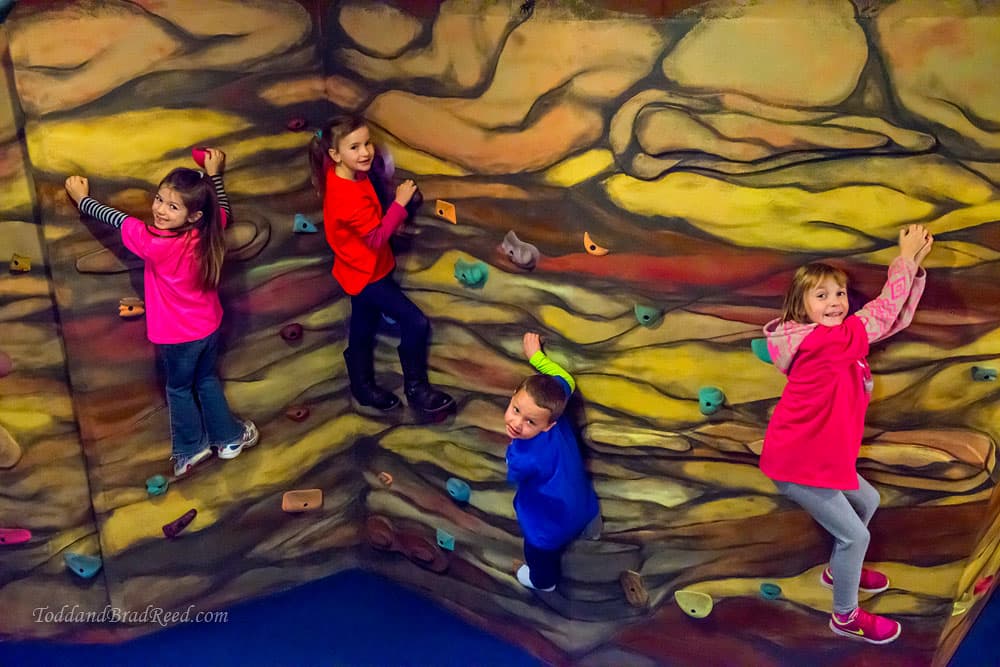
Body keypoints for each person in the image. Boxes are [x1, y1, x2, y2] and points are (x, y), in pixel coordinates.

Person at [759, 224, 934, 644]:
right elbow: (879, 314)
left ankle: (839, 570)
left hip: (816, 459)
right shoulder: (824, 342)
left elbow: (881, 324)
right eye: (822, 295)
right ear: (801, 307)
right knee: (856, 535)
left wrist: (914, 268)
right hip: (798, 464)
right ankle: (845, 616)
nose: (836, 302)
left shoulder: (834, 341)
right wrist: (905, 257)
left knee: (868, 500)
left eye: (839, 294)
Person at [64, 149, 258, 478]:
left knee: (180, 388)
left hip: (177, 337)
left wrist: (82, 199)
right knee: (207, 379)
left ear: (193, 215)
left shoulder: (156, 243)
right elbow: (222, 210)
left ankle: (192, 447)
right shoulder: (207, 230)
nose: (160, 210)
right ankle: (228, 439)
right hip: (208, 327)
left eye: (172, 206)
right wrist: (214, 174)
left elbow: (116, 218)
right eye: (159, 199)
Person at [308, 115, 453, 417]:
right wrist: (400, 203)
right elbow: (375, 238)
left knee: (363, 325)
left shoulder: (342, 171)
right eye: (354, 147)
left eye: (367, 143)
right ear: (335, 155)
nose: (365, 153)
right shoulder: (345, 195)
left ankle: (362, 386)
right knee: (415, 322)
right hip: (365, 275)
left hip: (361, 268)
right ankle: (417, 390)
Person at [505, 332, 601, 592]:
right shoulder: (556, 405)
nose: (517, 424)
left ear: (549, 425)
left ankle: (543, 582)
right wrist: (537, 358)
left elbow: (515, 474)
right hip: (584, 506)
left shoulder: (523, 457)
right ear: (514, 395)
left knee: (537, 552)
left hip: (548, 526)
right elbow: (566, 380)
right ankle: (590, 530)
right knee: (584, 515)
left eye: (530, 422)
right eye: (516, 410)